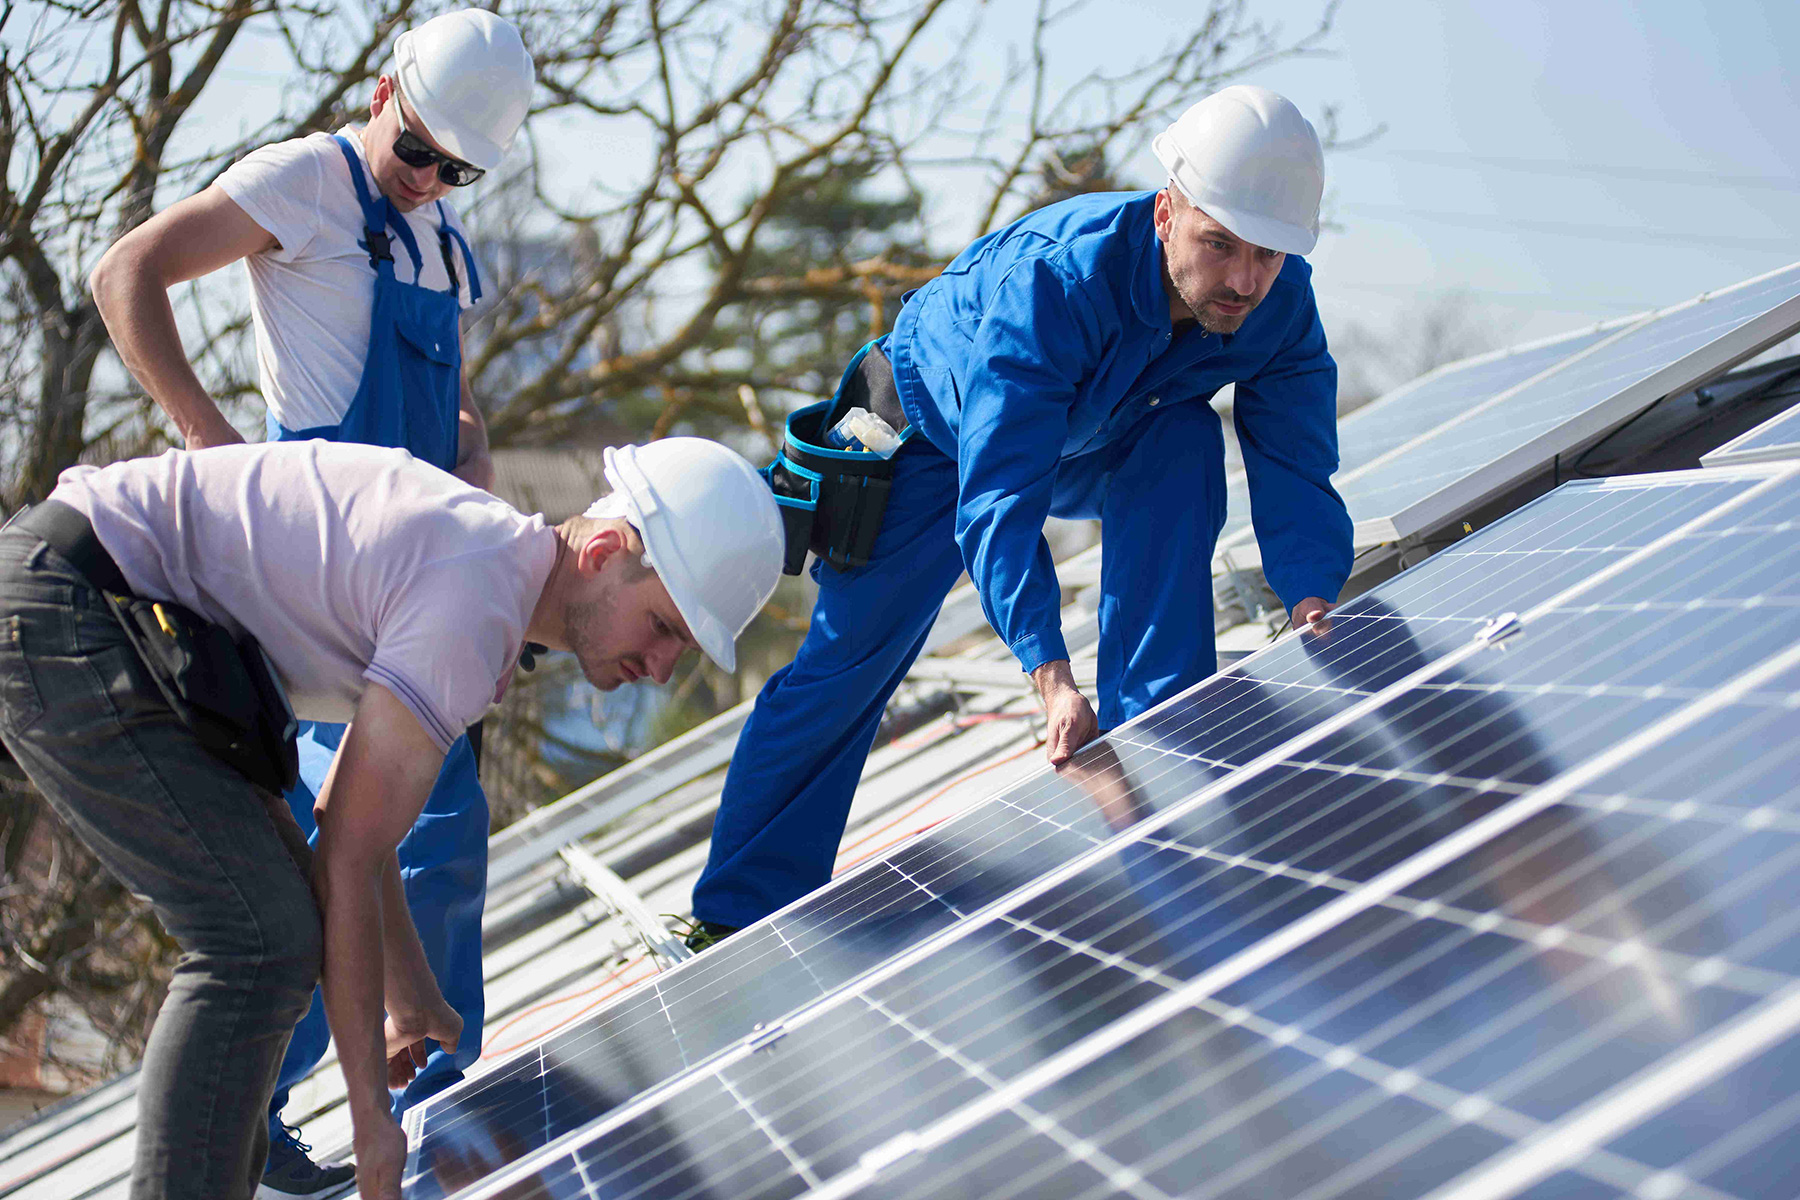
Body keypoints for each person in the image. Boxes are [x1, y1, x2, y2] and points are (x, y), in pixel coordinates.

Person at [0, 435, 785, 1200]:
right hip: (73, 610)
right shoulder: (472, 603)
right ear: (605, 551)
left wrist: (408, 997)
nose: (660, 668)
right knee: (257, 940)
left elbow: (348, 825)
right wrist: (371, 1120)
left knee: (276, 925)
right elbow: (345, 854)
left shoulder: (488, 579)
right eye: (664, 627)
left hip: (106, 619)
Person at [689, 85, 1355, 945]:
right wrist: (1051, 677)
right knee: (850, 664)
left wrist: (1312, 600)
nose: (1241, 280)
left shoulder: (1279, 304)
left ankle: (1162, 734)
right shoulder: (1056, 282)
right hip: (934, 437)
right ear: (1165, 214)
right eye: (1218, 244)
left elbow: (1297, 460)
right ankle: (737, 917)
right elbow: (1000, 496)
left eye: (1266, 255)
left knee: (1184, 442)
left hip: (1100, 434)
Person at [87, 11, 534, 1194]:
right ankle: (261, 1119)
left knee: (445, 841)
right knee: (339, 847)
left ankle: (444, 1091)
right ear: (385, 92)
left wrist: (474, 454)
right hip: (321, 572)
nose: (434, 182)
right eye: (422, 155)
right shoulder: (305, 181)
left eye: (460, 171)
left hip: (428, 574)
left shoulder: (437, 239)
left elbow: (457, 397)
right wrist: (206, 435)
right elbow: (123, 271)